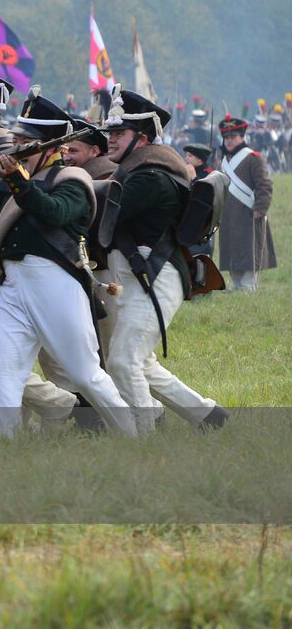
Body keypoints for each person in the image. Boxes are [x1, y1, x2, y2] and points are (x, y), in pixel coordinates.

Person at [0, 88, 134, 438]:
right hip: (12, 286)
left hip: (56, 284)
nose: (18, 148)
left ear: (48, 148)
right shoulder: (12, 181)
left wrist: (16, 180)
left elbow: (52, 212)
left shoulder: (72, 181)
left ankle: (133, 434)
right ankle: (1, 443)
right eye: (17, 139)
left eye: (27, 142)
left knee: (84, 372)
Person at [98, 88, 227, 433]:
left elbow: (97, 213)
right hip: (140, 279)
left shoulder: (149, 178)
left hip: (156, 279)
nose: (110, 140)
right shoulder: (137, 170)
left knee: (124, 362)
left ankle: (144, 441)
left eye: (118, 134)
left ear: (142, 139)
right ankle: (208, 415)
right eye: (109, 133)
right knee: (143, 363)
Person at [216, 115, 276, 291]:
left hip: (249, 214)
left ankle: (248, 288)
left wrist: (261, 209)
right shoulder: (224, 160)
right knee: (232, 250)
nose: (229, 141)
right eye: (226, 137)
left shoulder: (253, 158)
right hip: (228, 215)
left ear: (242, 136)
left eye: (233, 137)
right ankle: (236, 287)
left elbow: (264, 185)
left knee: (249, 252)